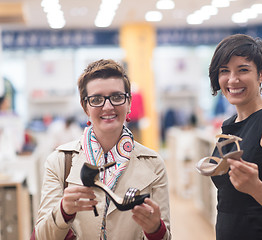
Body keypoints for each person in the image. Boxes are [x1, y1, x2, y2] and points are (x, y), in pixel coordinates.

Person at [34, 59, 171, 240]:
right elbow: (42, 236)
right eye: (97, 99)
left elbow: (166, 236)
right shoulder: (60, 161)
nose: (108, 106)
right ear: (85, 107)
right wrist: (63, 212)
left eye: (117, 97)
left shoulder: (153, 163)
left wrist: (155, 230)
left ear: (128, 102)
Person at [206, 34, 262, 239]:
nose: (232, 79)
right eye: (224, 71)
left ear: (261, 73)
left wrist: (255, 187)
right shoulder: (229, 125)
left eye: (243, 70)